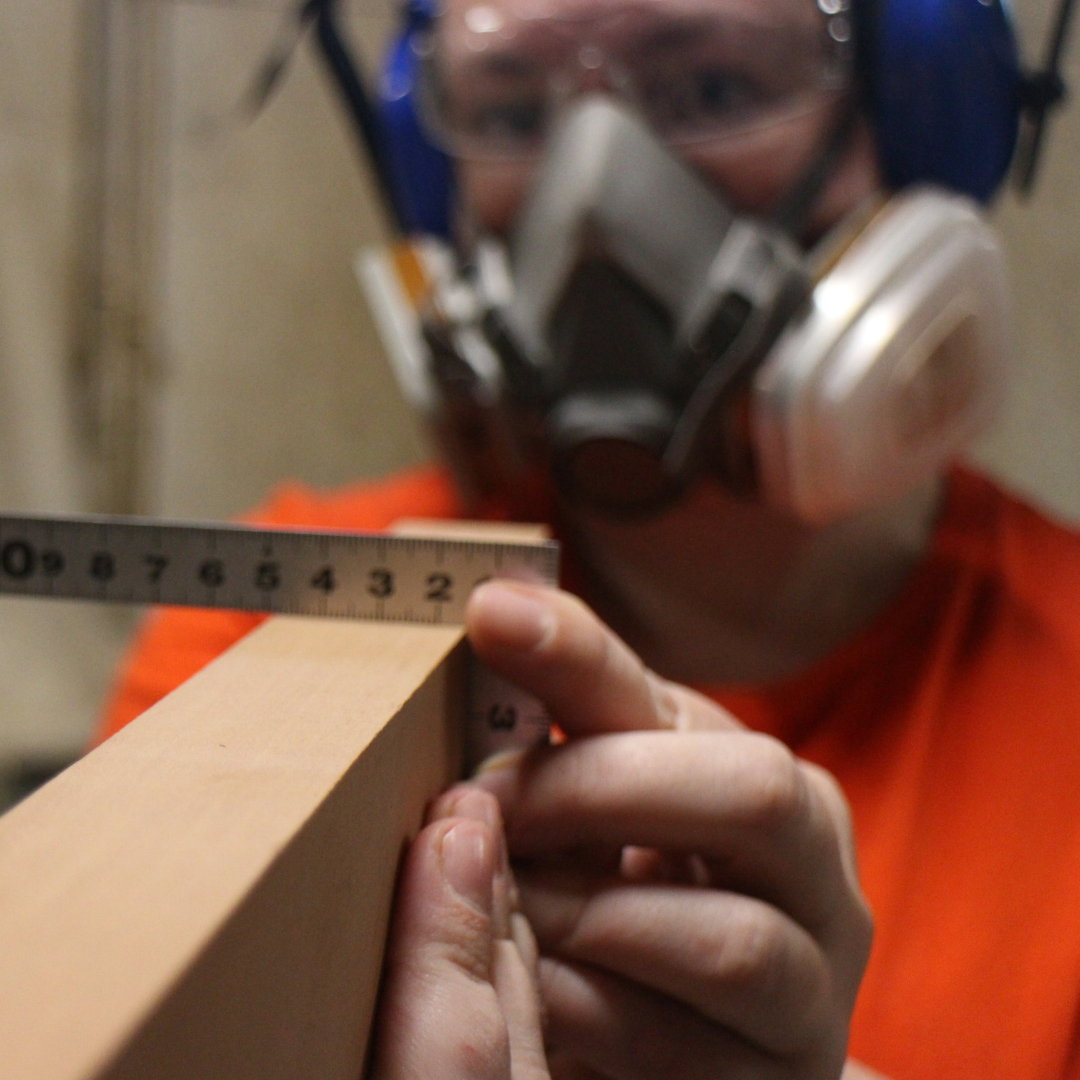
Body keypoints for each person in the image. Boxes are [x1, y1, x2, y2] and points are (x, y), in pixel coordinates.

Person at [94, 0, 1080, 1077]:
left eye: (713, 89)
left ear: (925, 118)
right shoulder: (272, 630)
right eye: (514, 111)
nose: (595, 181)